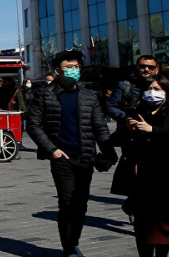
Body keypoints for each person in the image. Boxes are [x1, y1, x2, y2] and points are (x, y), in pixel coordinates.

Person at [27, 50, 117, 257]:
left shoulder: (87, 95)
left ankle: (73, 241)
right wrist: (51, 150)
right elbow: (33, 125)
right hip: (62, 157)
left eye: (76, 67)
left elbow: (100, 126)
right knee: (67, 203)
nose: (73, 70)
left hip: (86, 156)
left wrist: (109, 152)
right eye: (69, 67)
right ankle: (69, 249)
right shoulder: (45, 94)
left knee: (81, 203)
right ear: (57, 70)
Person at [110, 74, 169, 257]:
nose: (152, 93)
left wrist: (153, 131)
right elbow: (115, 139)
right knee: (143, 228)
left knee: (164, 227)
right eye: (149, 89)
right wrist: (128, 130)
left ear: (167, 93)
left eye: (156, 89)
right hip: (142, 178)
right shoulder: (136, 112)